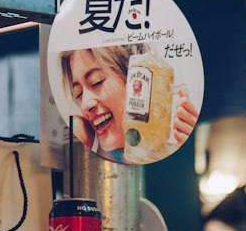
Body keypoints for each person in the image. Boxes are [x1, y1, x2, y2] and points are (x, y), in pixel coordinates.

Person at [61, 44, 198, 159]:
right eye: (78, 94)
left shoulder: (166, 150)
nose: (85, 105)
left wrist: (184, 151)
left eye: (96, 82)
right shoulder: (83, 135)